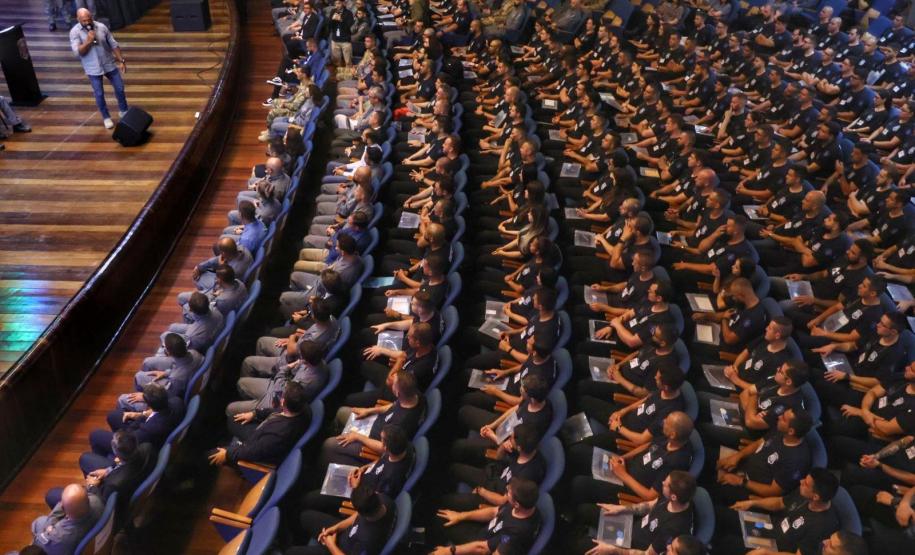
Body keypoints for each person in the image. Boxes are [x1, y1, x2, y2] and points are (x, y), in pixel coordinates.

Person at [69, 8, 128, 129]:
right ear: (78, 19)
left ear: (91, 16)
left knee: (120, 88)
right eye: (84, 20)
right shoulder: (74, 32)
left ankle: (124, 110)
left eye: (88, 19)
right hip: (92, 67)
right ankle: (106, 117)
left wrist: (121, 60)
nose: (87, 22)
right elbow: (77, 52)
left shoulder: (101, 27)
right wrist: (88, 41)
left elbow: (113, 44)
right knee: (99, 94)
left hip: (108, 63)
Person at [30, 483, 103, 555]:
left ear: (63, 508)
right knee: (53, 495)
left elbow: (40, 540)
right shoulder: (96, 500)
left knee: (38, 522)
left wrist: (49, 529)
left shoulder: (58, 536)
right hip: (87, 532)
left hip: (65, 542)